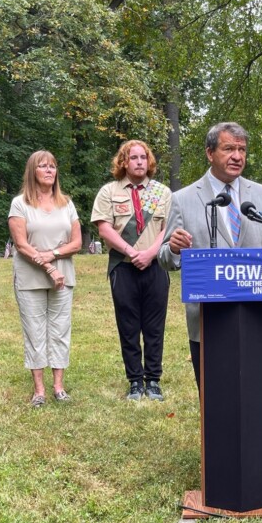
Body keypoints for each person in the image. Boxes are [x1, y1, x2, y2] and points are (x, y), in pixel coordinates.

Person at [158, 121, 262, 386]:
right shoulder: (183, 199)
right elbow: (165, 259)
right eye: (229, 149)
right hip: (209, 319)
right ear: (209, 153)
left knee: (260, 394)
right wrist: (173, 249)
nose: (237, 156)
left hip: (261, 315)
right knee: (216, 399)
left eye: (242, 150)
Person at [91, 140, 172, 401]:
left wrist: (149, 254)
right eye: (133, 158)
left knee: (154, 327)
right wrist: (131, 252)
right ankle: (135, 381)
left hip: (156, 266)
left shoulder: (163, 193)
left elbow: (167, 230)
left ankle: (154, 380)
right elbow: (103, 228)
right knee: (128, 326)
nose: (139, 162)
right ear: (123, 162)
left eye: (143, 157)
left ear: (149, 162)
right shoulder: (108, 191)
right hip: (123, 268)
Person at [8, 150, 82, 406]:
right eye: (43, 166)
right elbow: (21, 245)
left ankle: (58, 387)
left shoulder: (66, 203)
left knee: (60, 330)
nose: (50, 170)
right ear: (33, 171)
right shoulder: (20, 204)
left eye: (53, 166)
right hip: (31, 277)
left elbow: (77, 243)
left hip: (64, 278)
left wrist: (53, 254)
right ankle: (39, 390)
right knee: (35, 332)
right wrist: (50, 267)